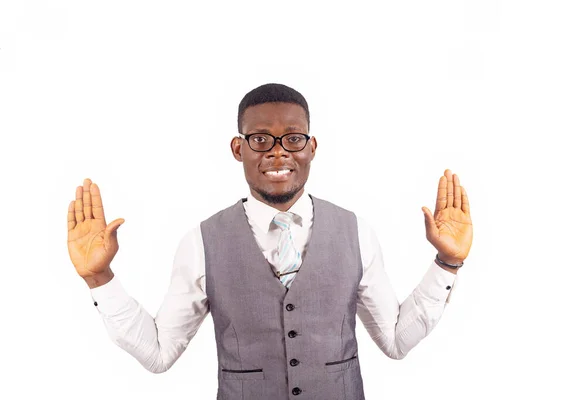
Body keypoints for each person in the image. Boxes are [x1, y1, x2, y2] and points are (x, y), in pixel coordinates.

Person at [66, 83, 473, 400]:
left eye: (293, 138)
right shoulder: (200, 242)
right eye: (260, 139)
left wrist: (446, 263)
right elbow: (158, 353)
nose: (278, 153)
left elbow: (396, 341)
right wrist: (100, 277)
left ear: (311, 147)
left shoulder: (357, 232)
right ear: (238, 148)